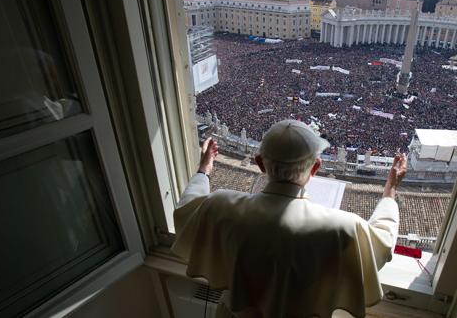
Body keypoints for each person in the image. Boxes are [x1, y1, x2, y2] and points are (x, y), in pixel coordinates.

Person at [171, 119, 407, 318]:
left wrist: (204, 170)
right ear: (315, 168)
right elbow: (383, 241)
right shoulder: (344, 228)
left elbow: (186, 211)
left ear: (260, 164)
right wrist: (390, 191)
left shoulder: (220, 205)